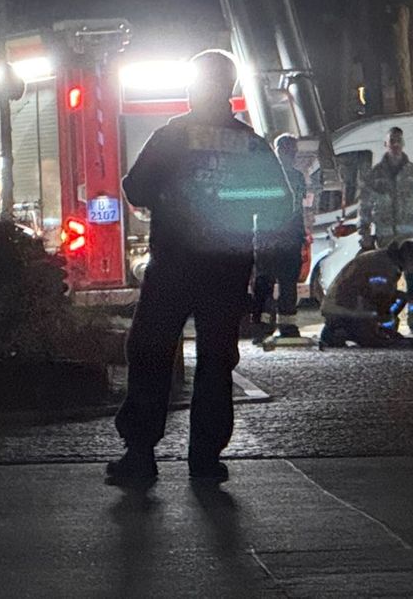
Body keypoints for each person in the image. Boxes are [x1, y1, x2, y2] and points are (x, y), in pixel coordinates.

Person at [107, 50, 295, 485]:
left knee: (150, 352)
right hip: (227, 271)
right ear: (230, 87)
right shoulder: (251, 144)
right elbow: (277, 205)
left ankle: (140, 454)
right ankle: (206, 460)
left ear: (195, 86)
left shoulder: (172, 136)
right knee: (216, 362)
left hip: (173, 265)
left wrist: (178, 197)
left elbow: (136, 188)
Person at [357, 127, 413, 332]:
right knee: (384, 284)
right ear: (386, 144)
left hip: (410, 239)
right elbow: (364, 207)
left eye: (399, 140)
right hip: (385, 240)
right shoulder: (375, 175)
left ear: (403, 143)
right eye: (392, 141)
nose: (396, 144)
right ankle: (386, 324)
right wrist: (364, 233)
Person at [250, 133, 308, 341]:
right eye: (289, 151)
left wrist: (301, 234)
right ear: (279, 151)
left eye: (294, 151)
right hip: (270, 237)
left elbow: (300, 209)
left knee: (288, 284)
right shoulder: (264, 176)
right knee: (265, 283)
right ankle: (262, 326)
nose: (292, 155)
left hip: (289, 238)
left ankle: (287, 326)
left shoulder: (297, 177)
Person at [319, 240, 413, 348]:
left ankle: (341, 330)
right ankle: (346, 331)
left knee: (399, 298)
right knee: (377, 342)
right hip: (346, 310)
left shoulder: (383, 258)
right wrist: (382, 328)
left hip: (338, 307)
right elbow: (380, 297)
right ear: (409, 259)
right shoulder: (385, 267)